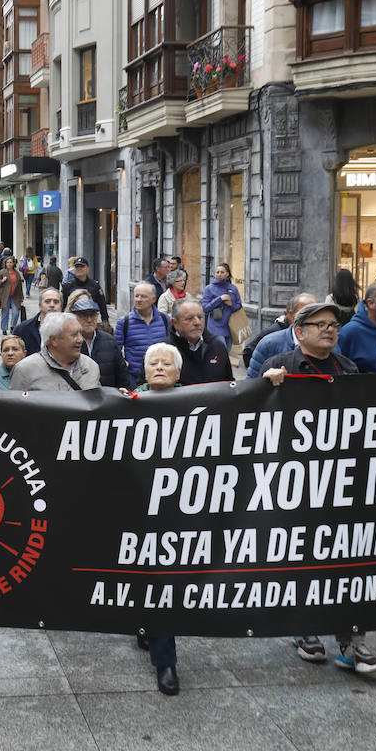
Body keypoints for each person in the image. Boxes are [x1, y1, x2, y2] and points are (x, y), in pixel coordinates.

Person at [259, 301, 376, 674]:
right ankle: (303, 628)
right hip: (295, 480)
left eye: (334, 324)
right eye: (320, 324)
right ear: (300, 332)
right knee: (302, 555)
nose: (330, 330)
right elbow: (249, 420)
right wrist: (266, 391)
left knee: (348, 559)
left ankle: (353, 643)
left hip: (342, 480)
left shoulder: (348, 368)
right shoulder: (280, 366)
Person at [130, 340, 186, 694]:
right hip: (136, 503)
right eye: (154, 363)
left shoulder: (203, 400)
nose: (160, 367)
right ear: (145, 371)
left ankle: (160, 648)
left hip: (182, 505)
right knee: (148, 575)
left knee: (166, 578)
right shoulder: (127, 402)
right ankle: (154, 640)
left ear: (179, 372)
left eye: (167, 363)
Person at [9, 312, 100, 391]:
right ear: (54, 340)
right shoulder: (25, 370)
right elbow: (15, 408)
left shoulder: (91, 366)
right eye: (74, 335)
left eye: (81, 333)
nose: (80, 340)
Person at [246, 293, 318, 379]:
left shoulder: (329, 344)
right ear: (289, 315)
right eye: (304, 314)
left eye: (316, 314)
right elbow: (252, 383)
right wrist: (265, 380)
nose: (311, 320)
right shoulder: (269, 343)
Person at [165, 299, 232, 386]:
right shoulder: (163, 351)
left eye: (200, 317)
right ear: (175, 323)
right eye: (189, 319)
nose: (197, 322)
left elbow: (229, 385)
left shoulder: (218, 346)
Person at [115, 282, 170, 386]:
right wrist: (125, 365)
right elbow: (115, 350)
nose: (138, 300)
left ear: (153, 299)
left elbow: (170, 345)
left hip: (160, 375)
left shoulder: (164, 319)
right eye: (136, 296)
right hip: (134, 377)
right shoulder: (124, 322)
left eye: (143, 296)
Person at [72, 296, 130, 388]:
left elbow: (122, 376)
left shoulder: (110, 341)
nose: (89, 320)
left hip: (107, 398)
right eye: (84, 315)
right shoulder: (69, 342)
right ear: (75, 318)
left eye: (92, 315)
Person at [200, 263, 242, 347]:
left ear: (227, 274)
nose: (219, 274)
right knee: (222, 352)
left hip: (230, 326)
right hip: (215, 326)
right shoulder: (209, 288)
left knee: (226, 353)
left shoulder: (233, 288)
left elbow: (239, 305)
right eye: (217, 272)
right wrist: (219, 299)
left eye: (222, 272)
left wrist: (231, 304)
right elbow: (205, 308)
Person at [13, 288, 62, 357]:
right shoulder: (22, 329)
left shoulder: (71, 330)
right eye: (47, 301)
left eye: (56, 302)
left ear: (61, 306)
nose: (52, 305)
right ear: (40, 306)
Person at [60, 257, 109, 321]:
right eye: (77, 267)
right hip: (72, 320)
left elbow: (102, 305)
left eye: (82, 266)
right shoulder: (67, 286)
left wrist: (105, 321)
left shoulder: (95, 286)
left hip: (89, 319)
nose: (79, 269)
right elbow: (63, 306)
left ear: (88, 269)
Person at [0, 256, 24, 336]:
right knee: (5, 313)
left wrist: (21, 297)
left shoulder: (17, 273)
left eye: (11, 262)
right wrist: (2, 281)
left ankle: (13, 327)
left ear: (13, 263)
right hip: (5, 296)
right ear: (5, 264)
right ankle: (4, 329)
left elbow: (20, 286)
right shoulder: (2, 272)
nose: (9, 264)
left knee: (16, 312)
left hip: (15, 296)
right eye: (8, 262)